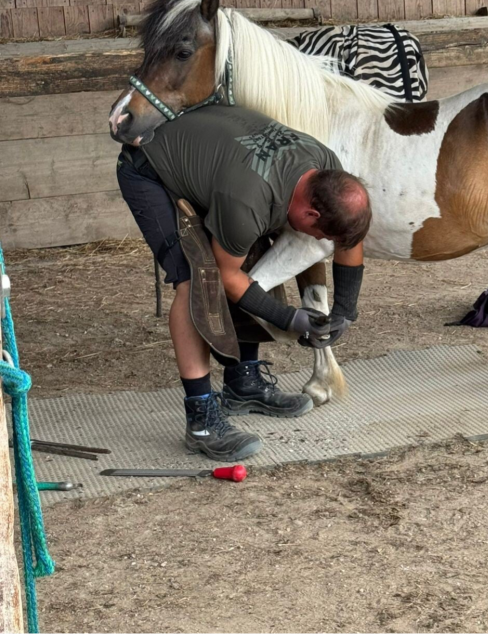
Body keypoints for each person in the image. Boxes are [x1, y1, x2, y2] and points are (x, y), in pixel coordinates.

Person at [116, 105, 371, 461]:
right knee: (196, 281)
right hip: (150, 168)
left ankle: (242, 383)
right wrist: (289, 319)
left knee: (249, 251)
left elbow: (348, 239)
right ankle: (201, 421)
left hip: (217, 164)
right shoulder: (248, 202)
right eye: (319, 233)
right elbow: (227, 278)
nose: (319, 240)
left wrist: (345, 310)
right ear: (311, 213)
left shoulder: (326, 168)